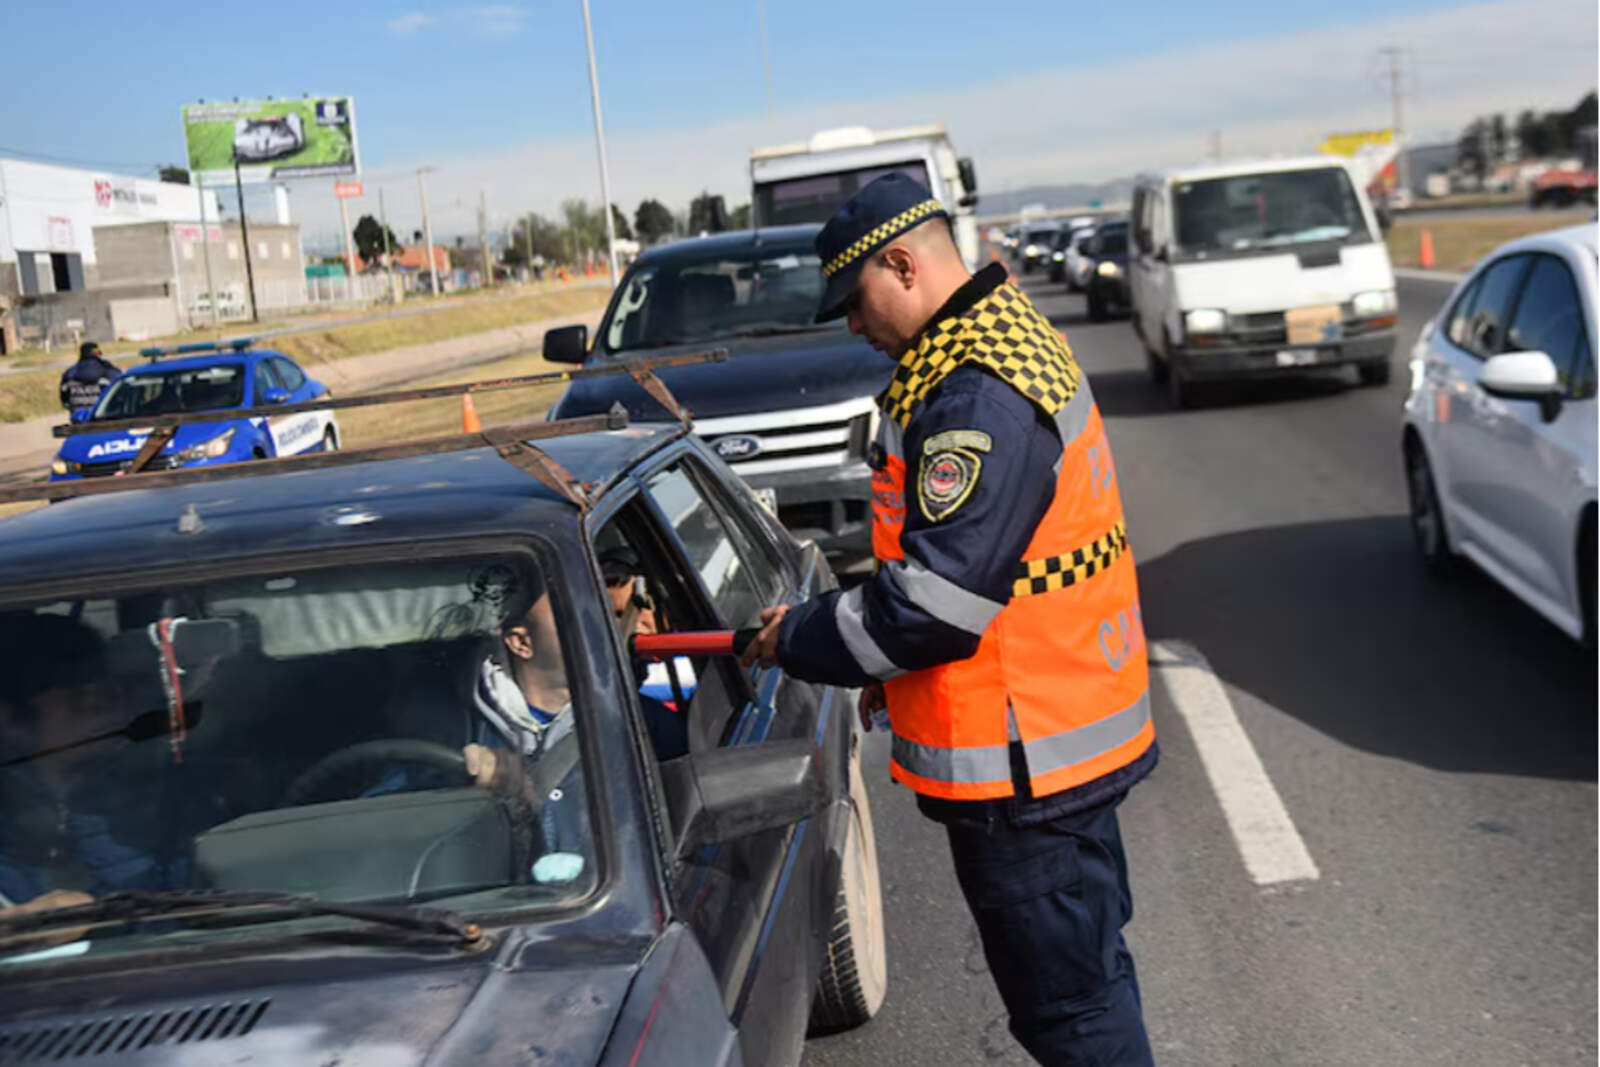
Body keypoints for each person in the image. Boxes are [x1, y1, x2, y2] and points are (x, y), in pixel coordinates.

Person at [742, 174, 1158, 1065]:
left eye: (854, 302)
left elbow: (933, 604)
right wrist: (895, 677)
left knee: (1073, 1017)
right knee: (1087, 992)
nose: (854, 325)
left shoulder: (978, 391)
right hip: (1047, 739)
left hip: (1029, 769)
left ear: (901, 263)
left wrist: (801, 636)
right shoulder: (985, 346)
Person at [58, 342, 119, 416]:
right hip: (103, 415)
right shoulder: (108, 370)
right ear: (97, 353)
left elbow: (64, 398)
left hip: (78, 416)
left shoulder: (69, 373)